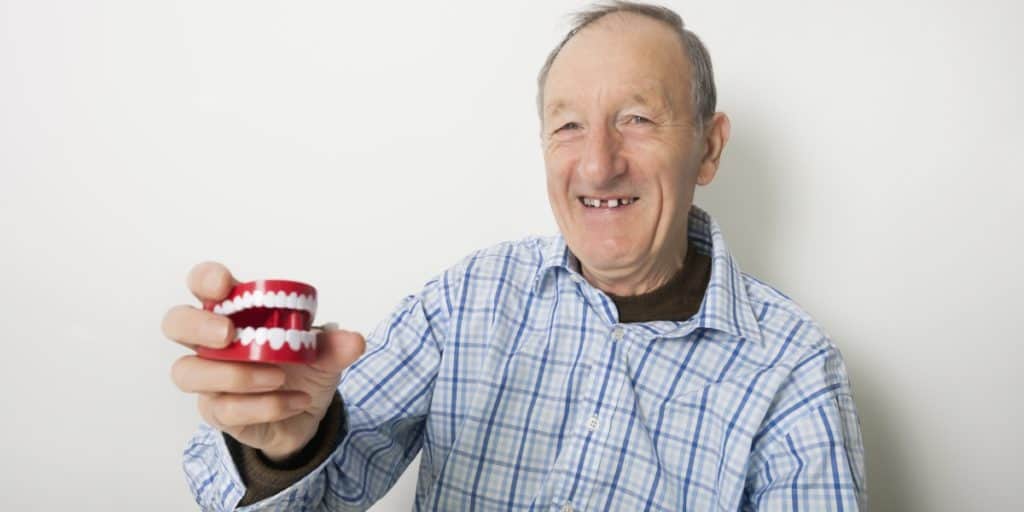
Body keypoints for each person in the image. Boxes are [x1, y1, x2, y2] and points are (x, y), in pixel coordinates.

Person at [163, 2, 867, 510]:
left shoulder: (795, 370)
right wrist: (284, 444)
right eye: (568, 126)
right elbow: (313, 497)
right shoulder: (470, 297)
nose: (597, 166)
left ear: (708, 148)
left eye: (638, 119)